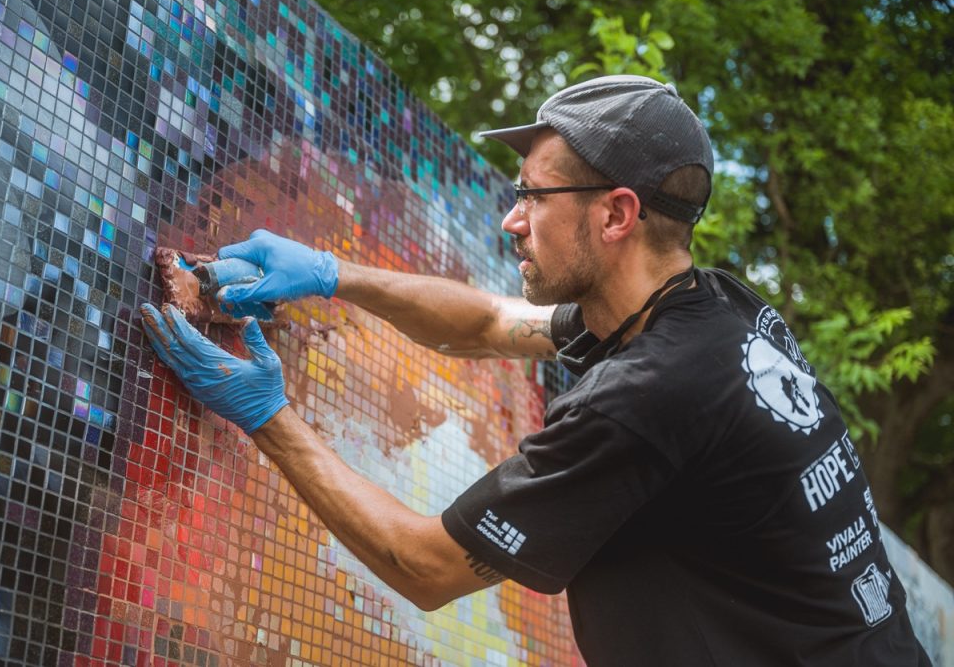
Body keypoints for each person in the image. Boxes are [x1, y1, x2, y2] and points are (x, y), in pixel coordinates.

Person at [140, 75, 930, 665]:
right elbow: (487, 323)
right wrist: (327, 273)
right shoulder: (708, 310)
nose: (510, 220)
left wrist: (266, 417)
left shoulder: (648, 395)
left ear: (616, 214)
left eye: (534, 197)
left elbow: (423, 567)